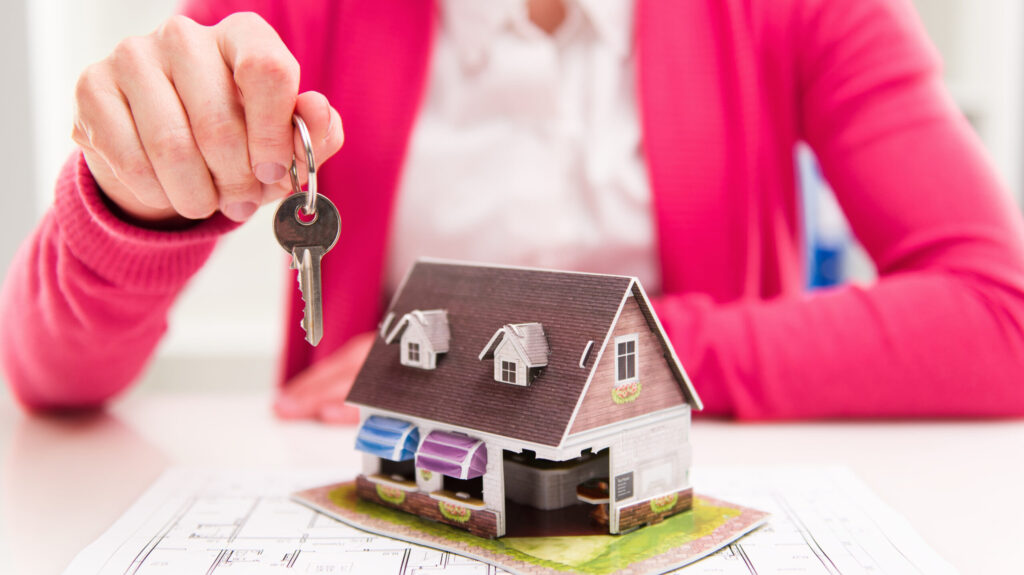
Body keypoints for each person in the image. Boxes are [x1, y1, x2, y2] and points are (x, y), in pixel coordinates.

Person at [3, 0, 1024, 421]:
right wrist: (132, 207)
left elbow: (999, 321)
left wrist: (557, 358)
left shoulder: (809, 10)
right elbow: (50, 375)